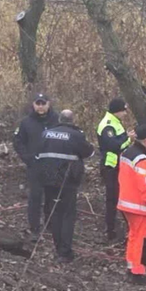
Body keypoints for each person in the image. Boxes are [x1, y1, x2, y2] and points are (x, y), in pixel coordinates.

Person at [34, 110, 95, 262]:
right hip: (68, 181)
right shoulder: (76, 135)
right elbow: (89, 152)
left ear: (60, 119)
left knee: (55, 213)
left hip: (48, 180)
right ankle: (65, 252)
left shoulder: (46, 134)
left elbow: (36, 154)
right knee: (67, 215)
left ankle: (58, 247)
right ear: (72, 120)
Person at [117, 125, 146, 284]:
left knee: (134, 237)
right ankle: (138, 271)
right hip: (140, 207)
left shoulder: (127, 153)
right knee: (143, 240)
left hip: (127, 203)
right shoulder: (142, 160)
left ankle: (132, 267)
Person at [13, 93, 59, 241]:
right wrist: (28, 158)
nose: (40, 106)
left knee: (52, 196)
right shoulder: (26, 122)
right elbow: (18, 142)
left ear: (48, 104)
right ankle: (34, 228)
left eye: (43, 103)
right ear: (33, 104)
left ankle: (51, 224)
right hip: (35, 166)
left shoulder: (57, 120)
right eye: (38, 103)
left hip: (53, 166)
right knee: (35, 197)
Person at [97, 98, 135, 242]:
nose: (125, 113)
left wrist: (127, 137)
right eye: (124, 110)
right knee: (113, 199)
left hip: (119, 165)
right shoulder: (107, 125)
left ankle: (122, 227)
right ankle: (110, 230)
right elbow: (114, 146)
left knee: (120, 196)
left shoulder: (115, 122)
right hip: (110, 167)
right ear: (117, 111)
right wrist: (129, 139)